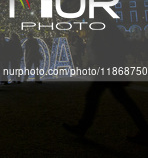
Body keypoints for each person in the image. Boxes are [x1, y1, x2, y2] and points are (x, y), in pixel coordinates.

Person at [63, 11, 148, 143]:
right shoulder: (108, 28)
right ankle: (144, 130)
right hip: (108, 69)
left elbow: (111, 48)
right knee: (121, 100)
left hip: (108, 69)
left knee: (95, 96)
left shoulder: (106, 29)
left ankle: (82, 127)